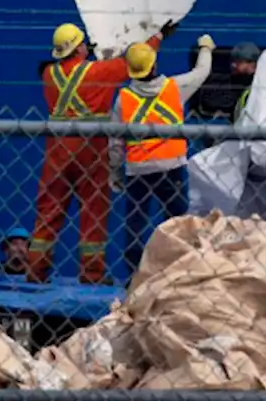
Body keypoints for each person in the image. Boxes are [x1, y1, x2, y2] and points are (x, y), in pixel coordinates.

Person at [28, 19, 176, 284]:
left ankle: (36, 270)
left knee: (49, 207)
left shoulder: (48, 74)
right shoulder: (97, 72)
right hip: (90, 146)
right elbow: (127, 64)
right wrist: (157, 37)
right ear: (79, 48)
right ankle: (92, 273)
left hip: (57, 148)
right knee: (93, 208)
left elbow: (72, 75)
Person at [111, 34, 215, 280]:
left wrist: (115, 172)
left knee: (136, 223)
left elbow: (115, 142)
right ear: (154, 64)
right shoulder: (174, 88)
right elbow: (201, 72)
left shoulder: (123, 99)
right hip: (171, 167)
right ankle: (182, 269)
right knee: (178, 221)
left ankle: (134, 276)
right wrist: (205, 48)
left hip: (138, 170)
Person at [230, 42, 261, 122]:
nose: (234, 65)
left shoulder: (260, 84)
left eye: (238, 62)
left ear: (251, 63)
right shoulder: (236, 80)